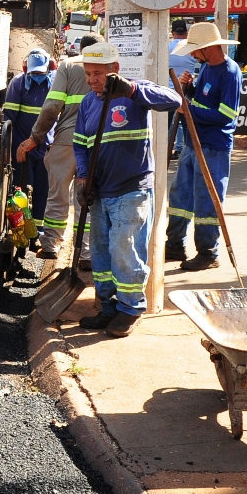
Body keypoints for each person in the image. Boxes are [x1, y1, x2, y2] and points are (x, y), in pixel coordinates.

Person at [72, 41, 181, 337]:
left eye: (98, 73)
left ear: (115, 71)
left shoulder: (134, 93)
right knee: (101, 253)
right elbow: (80, 145)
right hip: (100, 191)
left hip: (132, 189)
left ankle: (131, 308)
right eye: (88, 73)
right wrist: (83, 179)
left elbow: (173, 100)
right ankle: (107, 306)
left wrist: (131, 90)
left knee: (125, 250)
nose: (92, 79)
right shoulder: (88, 103)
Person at [164, 21, 243, 271]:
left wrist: (190, 108)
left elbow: (225, 114)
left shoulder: (230, 73)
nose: (192, 55)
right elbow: (204, 100)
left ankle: (208, 253)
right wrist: (192, 89)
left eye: (194, 50)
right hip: (192, 141)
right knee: (181, 194)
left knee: (207, 199)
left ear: (208, 48)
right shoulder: (207, 67)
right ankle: (175, 243)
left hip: (213, 146)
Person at [19, 36, 98, 261]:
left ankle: (51, 245)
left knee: (58, 195)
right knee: (88, 198)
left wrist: (35, 137)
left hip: (67, 140)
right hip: (97, 142)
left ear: (81, 48)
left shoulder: (69, 65)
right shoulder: (107, 66)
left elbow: (52, 107)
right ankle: (85, 253)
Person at [2, 49, 54, 253]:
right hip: (22, 151)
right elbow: (9, 116)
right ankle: (20, 232)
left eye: (41, 74)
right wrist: (7, 149)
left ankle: (37, 232)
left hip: (45, 151)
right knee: (20, 192)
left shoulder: (54, 84)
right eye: (34, 74)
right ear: (26, 70)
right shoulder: (18, 83)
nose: (37, 78)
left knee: (43, 191)